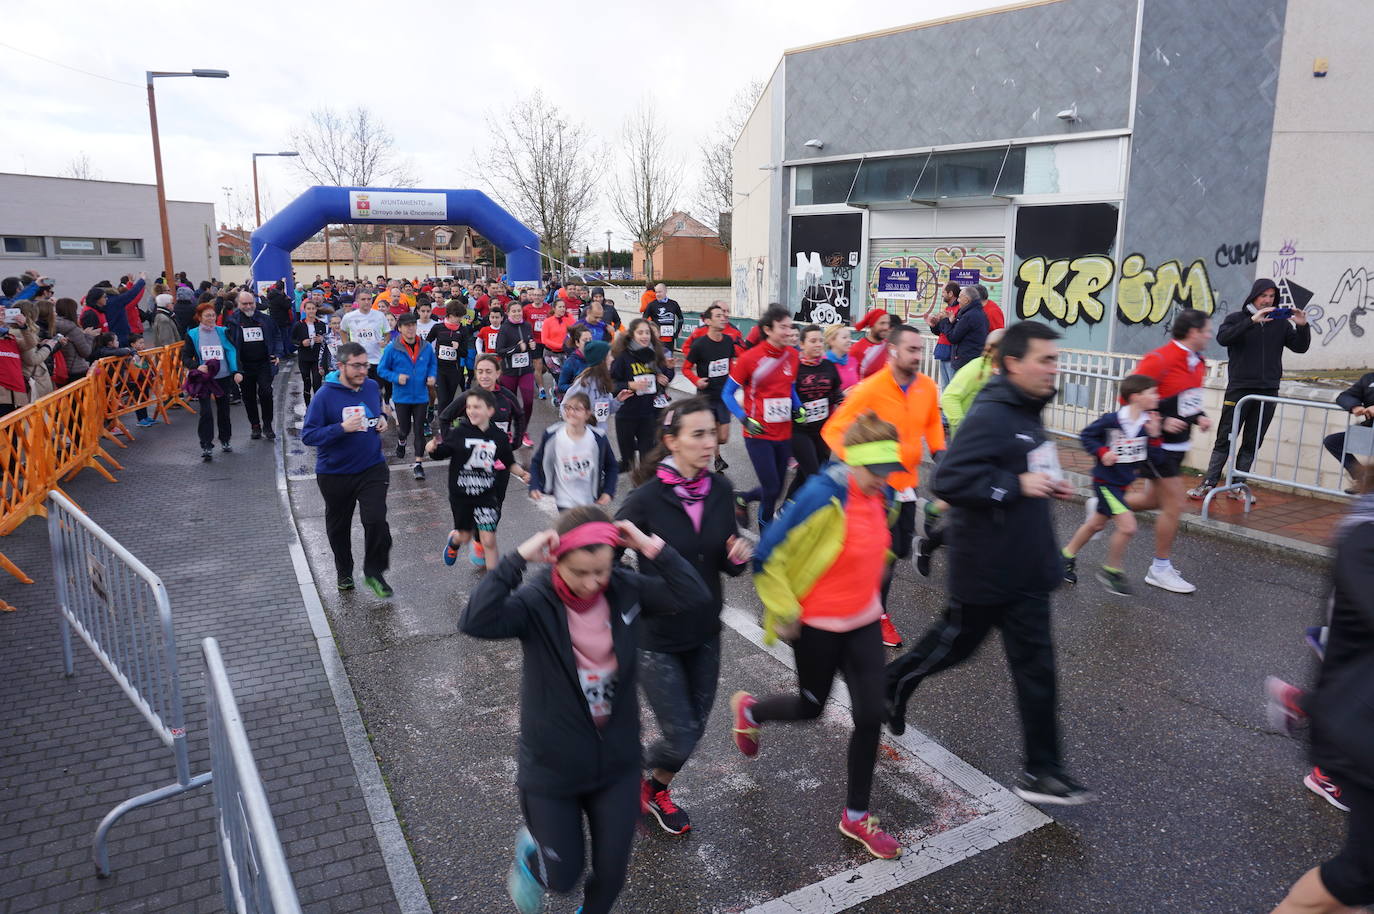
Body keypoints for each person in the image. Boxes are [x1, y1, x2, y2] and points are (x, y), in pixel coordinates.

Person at [884, 321, 1095, 806]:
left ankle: (1042, 771)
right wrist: (1013, 485)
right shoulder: (993, 412)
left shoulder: (1026, 408)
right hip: (988, 569)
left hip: (1025, 568)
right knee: (954, 647)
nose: (1053, 368)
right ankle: (892, 683)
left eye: (1054, 359)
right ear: (1014, 364)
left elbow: (1025, 464)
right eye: (1045, 359)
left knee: (1037, 670)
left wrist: (1048, 481)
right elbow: (951, 479)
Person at [461, 508, 708, 914]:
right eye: (581, 572)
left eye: (602, 570)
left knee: (611, 877)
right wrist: (517, 558)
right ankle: (532, 858)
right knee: (563, 878)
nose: (593, 583)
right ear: (557, 560)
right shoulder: (535, 602)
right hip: (552, 770)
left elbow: (695, 598)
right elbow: (475, 620)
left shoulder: (624, 588)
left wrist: (650, 547)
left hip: (618, 764)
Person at [729, 413, 910, 859]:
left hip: (863, 619)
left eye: (889, 472)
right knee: (812, 706)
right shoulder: (822, 494)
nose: (882, 481)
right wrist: (785, 610)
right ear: (854, 461)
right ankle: (752, 710)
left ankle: (855, 817)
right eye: (876, 472)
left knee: (870, 715)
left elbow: (878, 541)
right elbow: (767, 557)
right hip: (815, 624)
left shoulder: (881, 492)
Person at [616, 397, 751, 834]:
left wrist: (735, 557)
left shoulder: (721, 490)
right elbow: (606, 555)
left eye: (712, 432)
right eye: (698, 434)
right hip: (657, 637)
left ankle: (653, 790)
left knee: (693, 728)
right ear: (672, 442)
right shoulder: (645, 501)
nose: (709, 442)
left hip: (706, 629)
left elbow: (724, 555)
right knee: (681, 733)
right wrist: (636, 594)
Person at [1265, 465, 1374, 914]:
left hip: (1349, 707)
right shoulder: (1365, 536)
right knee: (1358, 877)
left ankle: (1299, 703)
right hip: (1361, 726)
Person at [823, 323, 945, 649]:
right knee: (884, 555)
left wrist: (941, 454)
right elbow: (833, 431)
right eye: (912, 350)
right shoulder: (870, 389)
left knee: (899, 549)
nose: (919, 356)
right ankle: (875, 614)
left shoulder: (927, 388)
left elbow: (932, 423)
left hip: (906, 485)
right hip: (878, 488)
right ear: (893, 351)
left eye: (921, 350)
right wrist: (864, 469)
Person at [1190, 278, 1312, 501]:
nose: (1268, 300)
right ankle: (1208, 483)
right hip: (1239, 388)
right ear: (1254, 297)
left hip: (1267, 390)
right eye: (1263, 296)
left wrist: (1302, 326)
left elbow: (1300, 347)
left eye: (1271, 296)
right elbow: (1224, 338)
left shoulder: (1281, 323)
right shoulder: (1236, 318)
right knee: (1226, 437)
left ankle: (1237, 485)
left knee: (1253, 440)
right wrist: (1252, 321)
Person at [1129, 309, 1215, 594]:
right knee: (1175, 504)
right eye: (1206, 330)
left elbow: (1186, 400)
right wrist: (1162, 420)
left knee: (1152, 500)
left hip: (1179, 445)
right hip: (1156, 445)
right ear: (1192, 332)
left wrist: (1198, 415)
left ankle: (1108, 502)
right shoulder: (1160, 359)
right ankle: (1159, 568)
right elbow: (1129, 397)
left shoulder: (1198, 362)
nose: (1210, 334)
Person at [301, 342, 394, 598]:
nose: (363, 370)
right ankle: (344, 571)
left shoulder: (372, 386)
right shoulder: (324, 395)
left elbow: (376, 411)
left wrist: (382, 420)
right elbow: (308, 436)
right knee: (338, 527)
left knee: (376, 520)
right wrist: (341, 428)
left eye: (365, 365)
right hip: (335, 473)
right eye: (357, 366)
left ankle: (374, 572)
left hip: (371, 467)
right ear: (340, 366)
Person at [1060, 375, 1163, 596]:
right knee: (1128, 527)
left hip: (1123, 484)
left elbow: (1153, 459)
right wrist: (1102, 452)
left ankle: (1065, 557)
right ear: (1136, 397)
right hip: (1105, 483)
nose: (1157, 396)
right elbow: (1087, 436)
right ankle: (1111, 570)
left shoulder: (1148, 424)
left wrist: (1154, 437)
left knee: (1096, 524)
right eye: (1152, 392)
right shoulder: (1111, 421)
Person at [427, 388, 530, 571]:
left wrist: (522, 473)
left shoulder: (498, 437)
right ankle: (454, 541)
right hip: (462, 495)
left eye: (477, 407)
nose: (472, 411)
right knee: (465, 536)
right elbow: (442, 452)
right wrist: (432, 449)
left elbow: (507, 461)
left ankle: (494, 587)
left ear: (490, 410)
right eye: (469, 407)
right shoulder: (459, 433)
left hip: (486, 495)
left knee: (488, 539)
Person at [723, 305, 800, 530]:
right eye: (783, 327)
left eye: (790, 327)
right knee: (772, 488)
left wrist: (799, 407)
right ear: (768, 329)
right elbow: (726, 394)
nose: (788, 332)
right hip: (758, 434)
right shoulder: (749, 359)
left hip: (784, 433)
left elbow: (790, 388)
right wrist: (743, 418)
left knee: (775, 490)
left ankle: (743, 499)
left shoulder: (793, 355)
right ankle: (766, 535)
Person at [529, 392, 618, 509]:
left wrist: (608, 491)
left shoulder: (598, 438)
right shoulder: (552, 435)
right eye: (568, 408)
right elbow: (536, 462)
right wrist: (534, 485)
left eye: (577, 409)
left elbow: (611, 466)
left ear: (587, 413)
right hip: (563, 500)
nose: (571, 412)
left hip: (589, 500)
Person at [679, 304, 740, 472]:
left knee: (723, 437)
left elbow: (730, 363)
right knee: (711, 430)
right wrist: (696, 380)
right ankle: (713, 459)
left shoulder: (728, 341)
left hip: (723, 396)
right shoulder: (699, 345)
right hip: (705, 397)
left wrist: (733, 381)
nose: (723, 318)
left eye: (724, 315)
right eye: (718, 316)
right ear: (708, 321)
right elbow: (685, 368)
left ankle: (703, 446)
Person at [378, 313, 438, 480]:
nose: (411, 328)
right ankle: (401, 441)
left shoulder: (426, 346)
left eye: (413, 325)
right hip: (401, 397)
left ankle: (418, 464)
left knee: (419, 430)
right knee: (404, 429)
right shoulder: (392, 348)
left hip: (421, 396)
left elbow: (433, 364)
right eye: (407, 325)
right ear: (400, 328)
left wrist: (432, 376)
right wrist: (396, 378)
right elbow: (381, 370)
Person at [787, 324, 844, 500]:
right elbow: (784, 394)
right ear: (802, 345)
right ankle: (814, 513)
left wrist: (843, 405)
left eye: (820, 340)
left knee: (804, 476)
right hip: (799, 431)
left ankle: (784, 511)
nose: (818, 344)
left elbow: (836, 393)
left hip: (823, 431)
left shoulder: (828, 365)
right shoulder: (794, 367)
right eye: (813, 341)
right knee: (815, 475)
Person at [610, 319, 673, 473]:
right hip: (626, 415)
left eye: (647, 333)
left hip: (647, 414)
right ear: (632, 335)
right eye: (640, 333)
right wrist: (629, 385)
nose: (645, 336)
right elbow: (610, 385)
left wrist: (666, 372)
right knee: (628, 462)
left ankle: (643, 492)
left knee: (648, 460)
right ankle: (609, 474)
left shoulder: (654, 354)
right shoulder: (623, 357)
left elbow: (664, 380)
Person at [183, 301, 241, 460]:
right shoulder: (193, 334)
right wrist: (196, 366)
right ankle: (206, 445)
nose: (211, 318)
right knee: (206, 412)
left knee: (224, 411)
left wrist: (236, 370)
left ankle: (225, 440)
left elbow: (231, 351)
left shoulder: (223, 331)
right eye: (207, 316)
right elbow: (186, 357)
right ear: (199, 317)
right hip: (204, 379)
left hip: (223, 377)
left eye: (213, 315)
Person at [223, 290, 282, 441]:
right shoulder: (232, 321)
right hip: (244, 366)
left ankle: (267, 425)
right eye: (245, 304)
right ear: (238, 304)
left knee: (266, 393)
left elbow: (276, 336)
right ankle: (255, 425)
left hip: (264, 364)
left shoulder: (265, 319)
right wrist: (233, 366)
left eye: (251, 303)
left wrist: (278, 353)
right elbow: (228, 343)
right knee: (248, 397)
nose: (248, 306)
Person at [495, 300, 537, 448]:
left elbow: (529, 343)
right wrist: (517, 348)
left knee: (528, 401)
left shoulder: (527, 326)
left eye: (519, 311)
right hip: (509, 372)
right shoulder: (505, 329)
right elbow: (499, 351)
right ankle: (507, 430)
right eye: (514, 311)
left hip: (526, 370)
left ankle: (523, 431)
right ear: (508, 313)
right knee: (508, 403)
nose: (517, 314)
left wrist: (532, 345)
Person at [1323, 372, 1374, 493]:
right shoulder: (1369, 378)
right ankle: (1363, 479)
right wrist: (1354, 406)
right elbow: (1344, 396)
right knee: (1333, 442)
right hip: (1370, 431)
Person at [339, 291, 391, 403]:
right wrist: (347, 345)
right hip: (358, 361)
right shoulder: (349, 317)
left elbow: (387, 333)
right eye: (363, 299)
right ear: (357, 301)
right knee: (360, 390)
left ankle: (376, 414)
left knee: (376, 390)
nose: (367, 302)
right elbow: (342, 331)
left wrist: (385, 341)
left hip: (377, 360)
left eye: (369, 299)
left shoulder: (379, 315)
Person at [929, 286, 989, 375]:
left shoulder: (969, 316)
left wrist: (947, 321)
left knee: (953, 387)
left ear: (967, 299)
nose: (958, 300)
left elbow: (953, 337)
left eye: (960, 297)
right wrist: (951, 322)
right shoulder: (976, 313)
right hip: (970, 360)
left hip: (965, 362)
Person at [563, 340, 623, 429]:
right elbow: (564, 406)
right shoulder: (583, 384)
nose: (612, 359)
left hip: (600, 434)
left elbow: (607, 411)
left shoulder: (603, 381)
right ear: (601, 360)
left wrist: (618, 400)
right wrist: (578, 425)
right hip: (584, 435)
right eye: (609, 355)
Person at [427, 306, 470, 420]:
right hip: (439, 368)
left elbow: (465, 353)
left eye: (461, 317)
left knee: (450, 399)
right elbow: (427, 342)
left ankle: (448, 421)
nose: (460, 319)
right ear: (450, 315)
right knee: (442, 398)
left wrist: (458, 347)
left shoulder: (463, 330)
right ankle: (443, 426)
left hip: (454, 369)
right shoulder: (438, 327)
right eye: (458, 317)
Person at [291, 297, 329, 407]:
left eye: (313, 308)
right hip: (304, 358)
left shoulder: (321, 324)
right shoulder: (299, 324)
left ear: (316, 310)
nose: (311, 311)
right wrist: (301, 343)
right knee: (306, 383)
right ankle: (308, 406)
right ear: (304, 310)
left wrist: (322, 339)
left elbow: (326, 340)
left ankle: (317, 406)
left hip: (317, 358)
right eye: (309, 309)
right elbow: (292, 340)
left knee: (317, 383)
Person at [539, 299, 576, 405]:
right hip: (551, 355)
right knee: (560, 377)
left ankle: (556, 392)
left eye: (564, 307)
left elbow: (577, 330)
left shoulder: (568, 319)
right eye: (560, 307)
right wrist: (561, 346)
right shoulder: (548, 321)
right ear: (554, 308)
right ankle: (561, 401)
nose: (562, 309)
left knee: (566, 378)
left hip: (565, 354)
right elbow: (544, 340)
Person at [927, 282, 960, 385]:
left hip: (952, 351)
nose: (942, 295)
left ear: (950, 293)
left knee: (952, 385)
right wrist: (933, 325)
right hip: (943, 350)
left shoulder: (959, 309)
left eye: (943, 292)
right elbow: (941, 331)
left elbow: (954, 331)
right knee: (944, 385)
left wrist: (945, 320)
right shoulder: (947, 309)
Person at [643, 283, 684, 357]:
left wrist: (678, 331)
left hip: (669, 339)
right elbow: (644, 319)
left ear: (665, 291)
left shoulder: (674, 304)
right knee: (656, 360)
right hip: (657, 339)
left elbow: (681, 318)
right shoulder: (652, 305)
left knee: (668, 360)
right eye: (656, 292)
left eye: (660, 292)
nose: (657, 294)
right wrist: (650, 331)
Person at [849, 309, 891, 380]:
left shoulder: (889, 345)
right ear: (871, 325)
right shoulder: (857, 349)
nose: (886, 327)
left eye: (888, 323)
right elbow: (852, 378)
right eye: (882, 323)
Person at [557, 326, 594, 402]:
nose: (589, 343)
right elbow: (561, 386)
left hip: (593, 402)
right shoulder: (571, 362)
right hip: (577, 402)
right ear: (577, 343)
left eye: (590, 339)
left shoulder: (596, 358)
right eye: (585, 340)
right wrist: (578, 387)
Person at [824, 323, 859, 390]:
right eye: (844, 337)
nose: (849, 340)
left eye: (849, 337)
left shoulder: (853, 361)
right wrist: (841, 395)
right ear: (831, 341)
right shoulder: (823, 363)